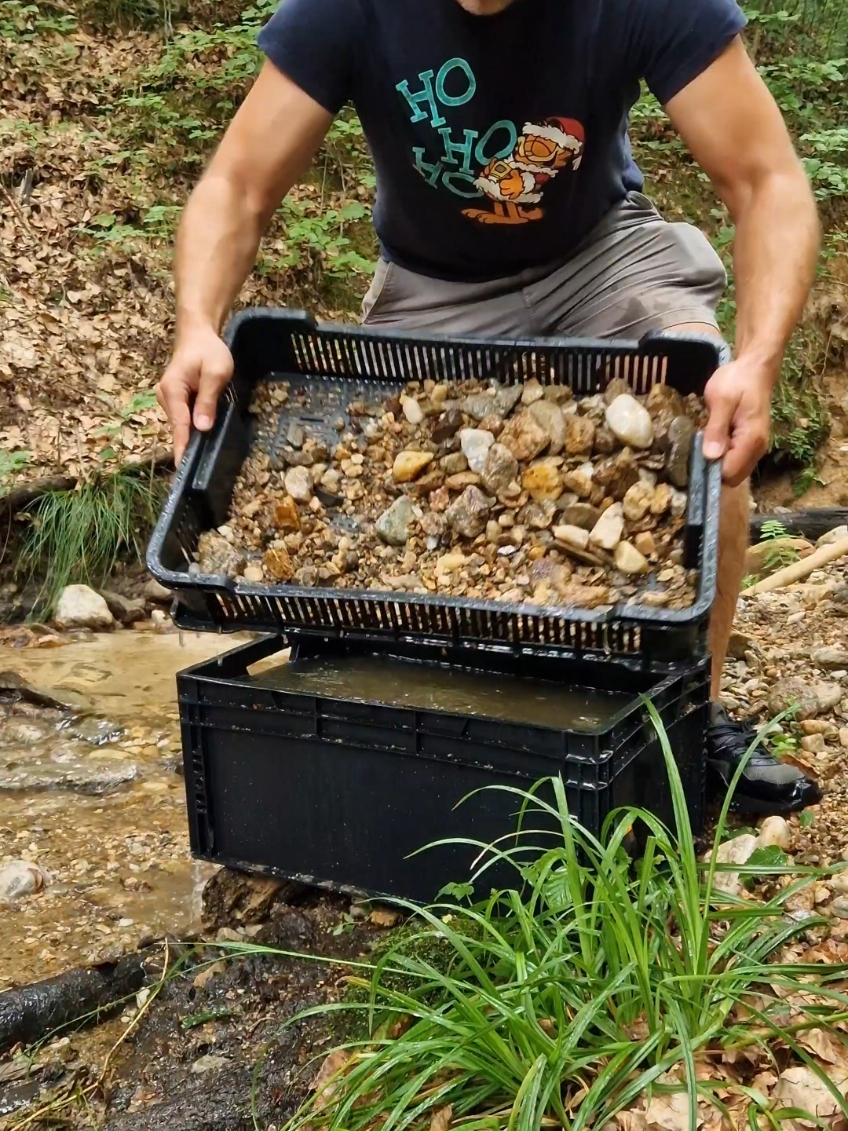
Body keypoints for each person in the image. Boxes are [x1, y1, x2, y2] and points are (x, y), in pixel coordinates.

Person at [156, 0, 822, 815]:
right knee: (368, 500)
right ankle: (403, 732)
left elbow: (767, 180)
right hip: (432, 282)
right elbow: (238, 183)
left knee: (708, 438)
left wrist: (755, 360)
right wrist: (197, 324)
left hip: (602, 251)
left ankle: (696, 730)